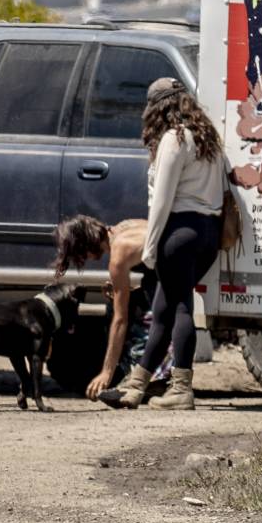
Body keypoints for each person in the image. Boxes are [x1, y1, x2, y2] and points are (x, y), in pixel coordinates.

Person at [103, 77, 226, 411]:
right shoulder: (208, 138)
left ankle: (181, 389)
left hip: (179, 231)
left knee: (179, 307)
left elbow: (162, 200)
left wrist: (150, 247)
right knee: (164, 309)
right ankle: (137, 385)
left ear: (159, 107)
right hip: (208, 232)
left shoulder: (175, 138)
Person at [51, 216, 174, 401]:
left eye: (82, 255)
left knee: (123, 318)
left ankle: (147, 377)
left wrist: (106, 373)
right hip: (183, 260)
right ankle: (153, 376)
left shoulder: (118, 255)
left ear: (85, 246)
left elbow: (120, 320)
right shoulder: (124, 226)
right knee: (133, 303)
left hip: (176, 274)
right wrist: (130, 292)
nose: (87, 260)